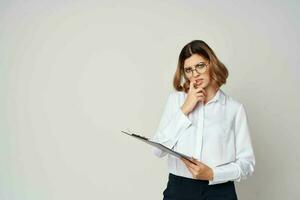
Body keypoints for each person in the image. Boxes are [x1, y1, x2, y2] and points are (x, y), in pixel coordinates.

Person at [151, 40, 255, 200]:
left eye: (200, 66)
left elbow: (247, 163)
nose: (195, 74)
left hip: (220, 191)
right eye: (188, 70)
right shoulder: (176, 101)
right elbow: (158, 151)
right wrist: (185, 108)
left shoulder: (234, 108)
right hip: (179, 190)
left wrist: (213, 174)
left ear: (211, 64)